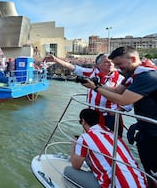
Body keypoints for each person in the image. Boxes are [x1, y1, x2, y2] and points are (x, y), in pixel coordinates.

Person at [82, 46, 157, 187]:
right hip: (146, 131)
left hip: (154, 134)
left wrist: (95, 89)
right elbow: (117, 90)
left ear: (133, 59)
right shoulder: (133, 74)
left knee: (154, 173)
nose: (116, 68)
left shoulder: (147, 76)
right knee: (149, 171)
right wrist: (97, 84)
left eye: (119, 64)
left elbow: (122, 100)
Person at [44, 54, 125, 135]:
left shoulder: (121, 79)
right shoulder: (92, 73)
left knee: (110, 140)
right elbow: (74, 68)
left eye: (112, 62)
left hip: (110, 116)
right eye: (106, 62)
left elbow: (129, 98)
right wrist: (56, 60)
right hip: (92, 115)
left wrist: (119, 110)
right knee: (92, 139)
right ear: (98, 65)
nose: (110, 64)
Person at [64, 109, 147, 188]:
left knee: (67, 171)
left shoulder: (85, 138)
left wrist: (74, 145)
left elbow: (76, 166)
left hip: (113, 185)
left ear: (83, 121)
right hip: (140, 182)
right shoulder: (113, 135)